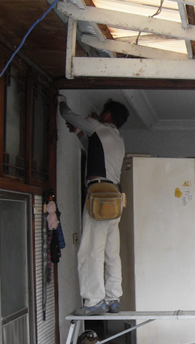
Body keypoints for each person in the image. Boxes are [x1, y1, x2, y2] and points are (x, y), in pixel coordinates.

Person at [57, 95, 129, 316]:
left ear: (107, 114)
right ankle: (113, 298)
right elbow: (92, 148)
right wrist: (79, 132)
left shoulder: (98, 127)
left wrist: (61, 100)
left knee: (91, 251)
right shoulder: (117, 139)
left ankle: (94, 301)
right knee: (111, 251)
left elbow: (67, 114)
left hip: (99, 195)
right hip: (114, 197)